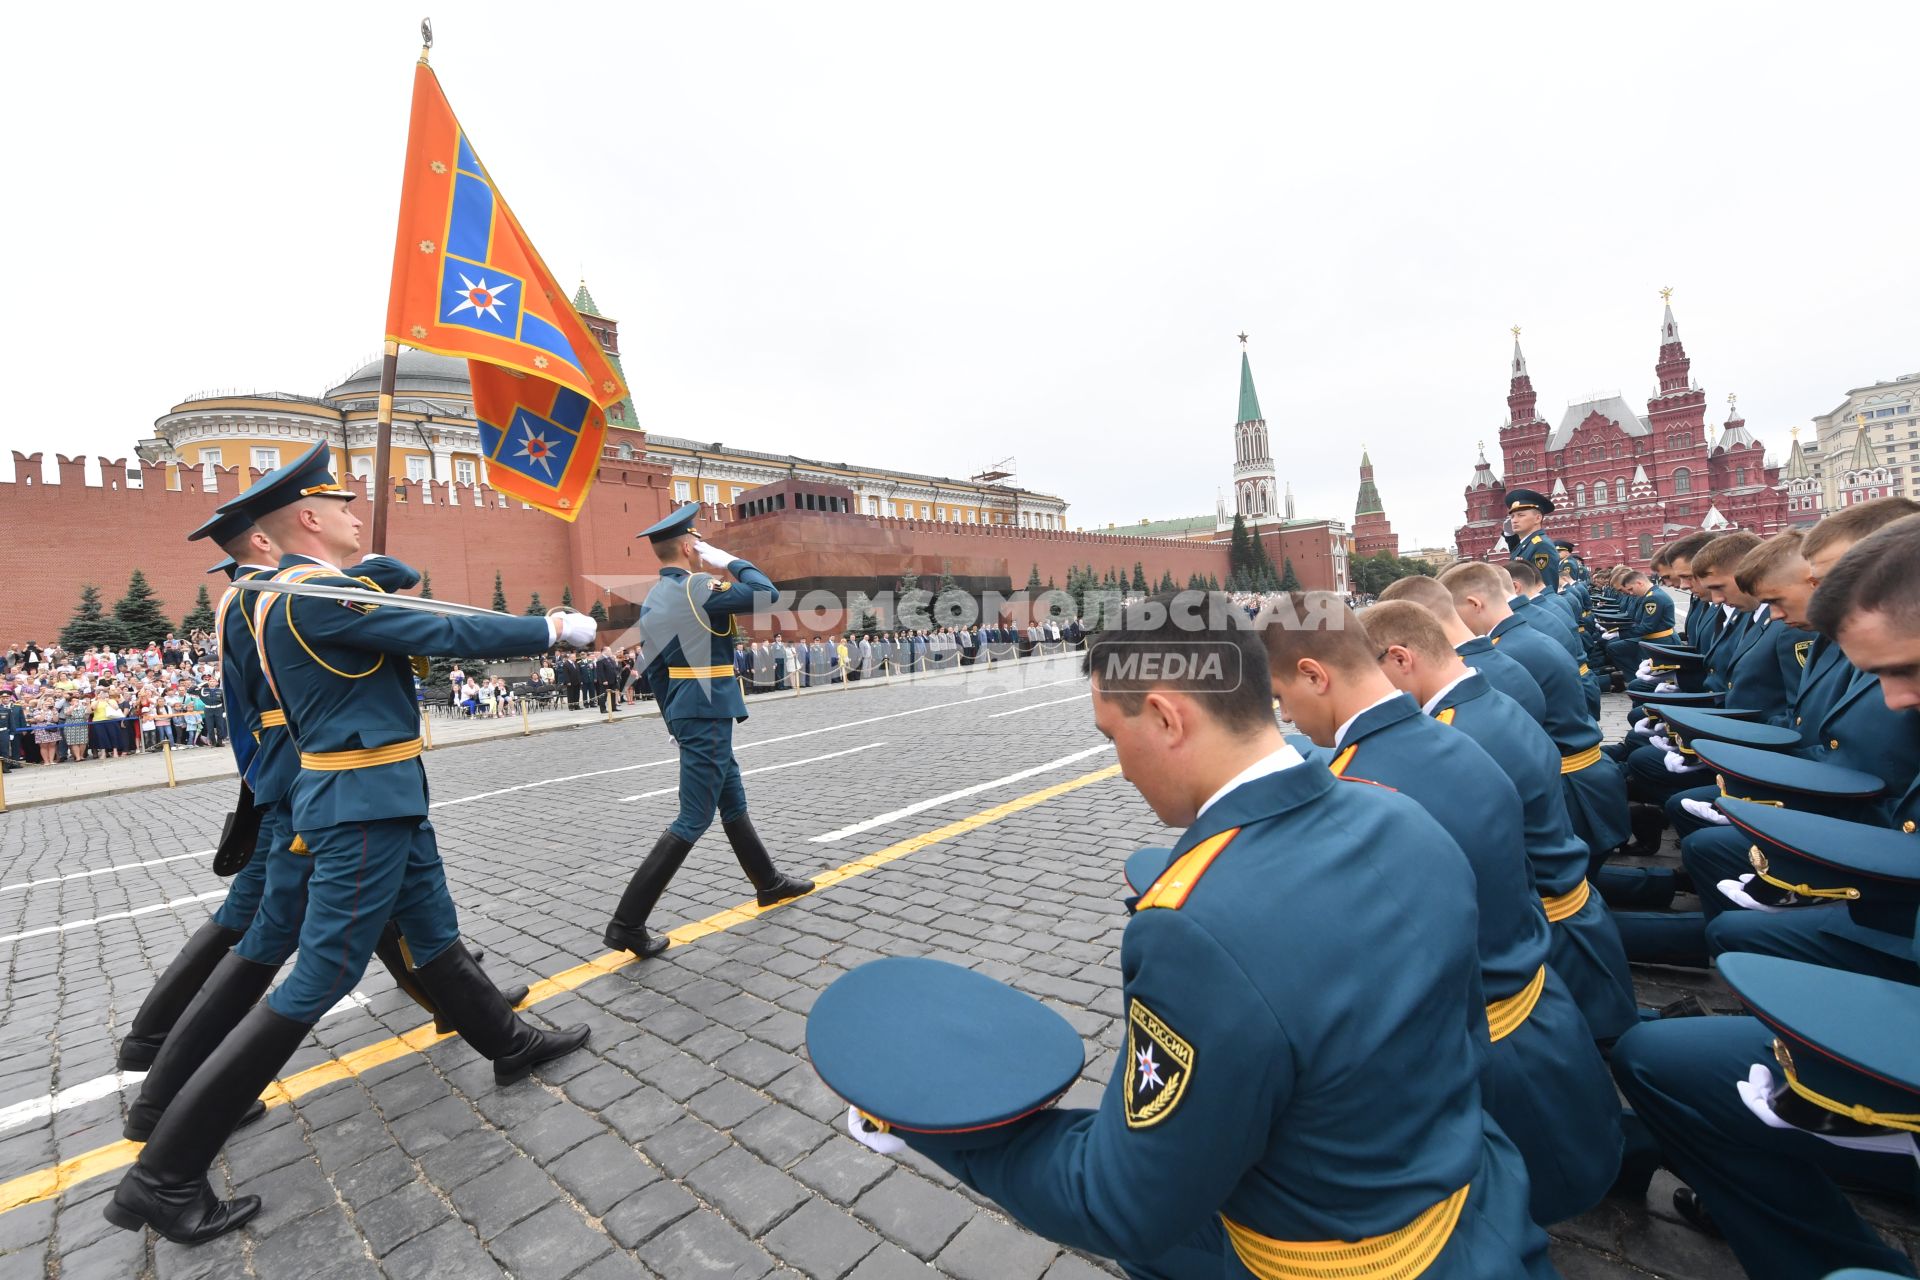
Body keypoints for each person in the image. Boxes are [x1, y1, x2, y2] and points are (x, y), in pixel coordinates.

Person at [894, 592, 1553, 1277]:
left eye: (1113, 736)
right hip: (1478, 1204)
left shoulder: (1191, 930)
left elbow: (1122, 1204)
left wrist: (932, 1127)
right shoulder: (1404, 813)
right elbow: (1465, 1032)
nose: (1120, 767)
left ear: (1165, 717)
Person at [107, 446, 593, 1245]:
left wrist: (364, 562)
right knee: (317, 978)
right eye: (339, 505)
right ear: (305, 518)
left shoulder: (298, 591)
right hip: (358, 805)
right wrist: (552, 628)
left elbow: (390, 587)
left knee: (433, 940)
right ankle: (163, 1177)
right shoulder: (306, 596)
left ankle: (509, 1044)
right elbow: (435, 623)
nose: (353, 511)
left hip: (384, 796)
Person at [1268, 591, 1620, 1223]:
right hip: (1539, 1015)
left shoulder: (1361, 789)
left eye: (1281, 697)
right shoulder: (1450, 734)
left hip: (1493, 1055)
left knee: (1518, 1224)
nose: (1288, 717)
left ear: (1314, 676)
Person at [1365, 600, 1636, 1045]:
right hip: (1563, 910)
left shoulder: (1451, 734)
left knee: (1619, 1057)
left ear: (1400, 658)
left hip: (1551, 929)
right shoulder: (1484, 696)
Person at [603, 503, 815, 960]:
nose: (701, 550)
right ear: (687, 546)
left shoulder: (657, 597)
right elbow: (767, 594)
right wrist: (728, 561)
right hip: (708, 710)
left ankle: (768, 883)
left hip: (690, 711)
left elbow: (654, 668)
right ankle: (626, 924)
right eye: (697, 543)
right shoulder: (702, 587)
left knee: (732, 802)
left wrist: (673, 720)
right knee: (693, 818)